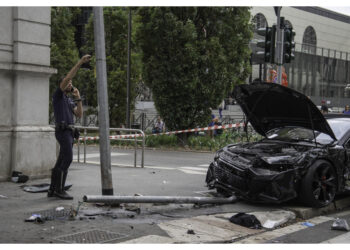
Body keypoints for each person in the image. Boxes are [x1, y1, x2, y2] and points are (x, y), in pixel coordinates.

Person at [48, 55, 91, 199]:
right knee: (68, 158)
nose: (70, 84)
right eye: (68, 83)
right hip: (62, 131)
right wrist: (80, 63)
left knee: (61, 160)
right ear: (62, 85)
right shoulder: (58, 96)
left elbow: (79, 114)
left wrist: (78, 97)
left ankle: (52, 189)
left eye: (71, 83)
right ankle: (59, 190)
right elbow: (67, 77)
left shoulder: (67, 99)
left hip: (69, 132)